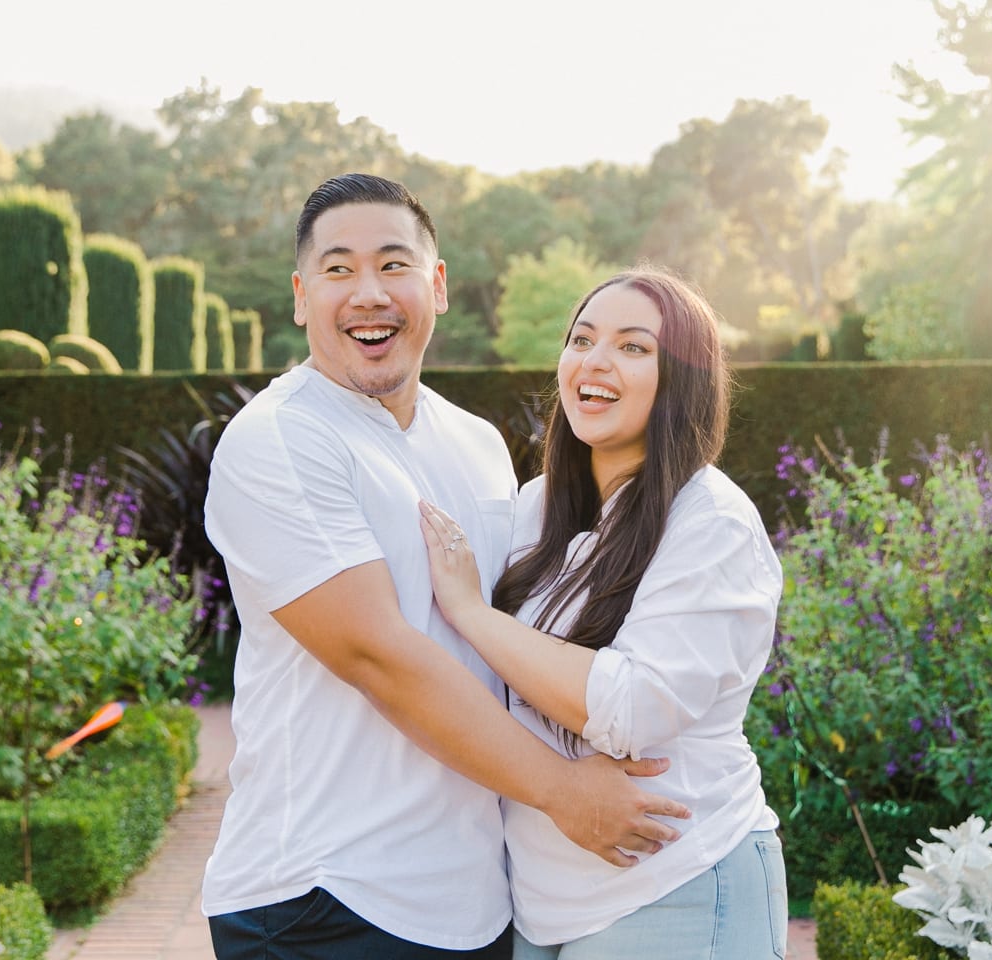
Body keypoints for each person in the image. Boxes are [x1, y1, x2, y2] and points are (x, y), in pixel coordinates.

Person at [201, 174, 690, 960]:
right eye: (337, 269)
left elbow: (512, 634)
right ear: (300, 297)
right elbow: (380, 656)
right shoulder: (279, 442)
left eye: (394, 265)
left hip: (476, 902)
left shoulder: (477, 445)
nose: (368, 293)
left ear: (438, 286)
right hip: (323, 898)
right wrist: (566, 793)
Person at [418, 267, 789, 959]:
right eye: (582, 339)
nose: (594, 361)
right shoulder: (532, 510)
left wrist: (474, 612)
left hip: (676, 885)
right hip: (540, 905)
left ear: (683, 378)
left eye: (632, 347)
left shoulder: (710, 522)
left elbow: (636, 709)